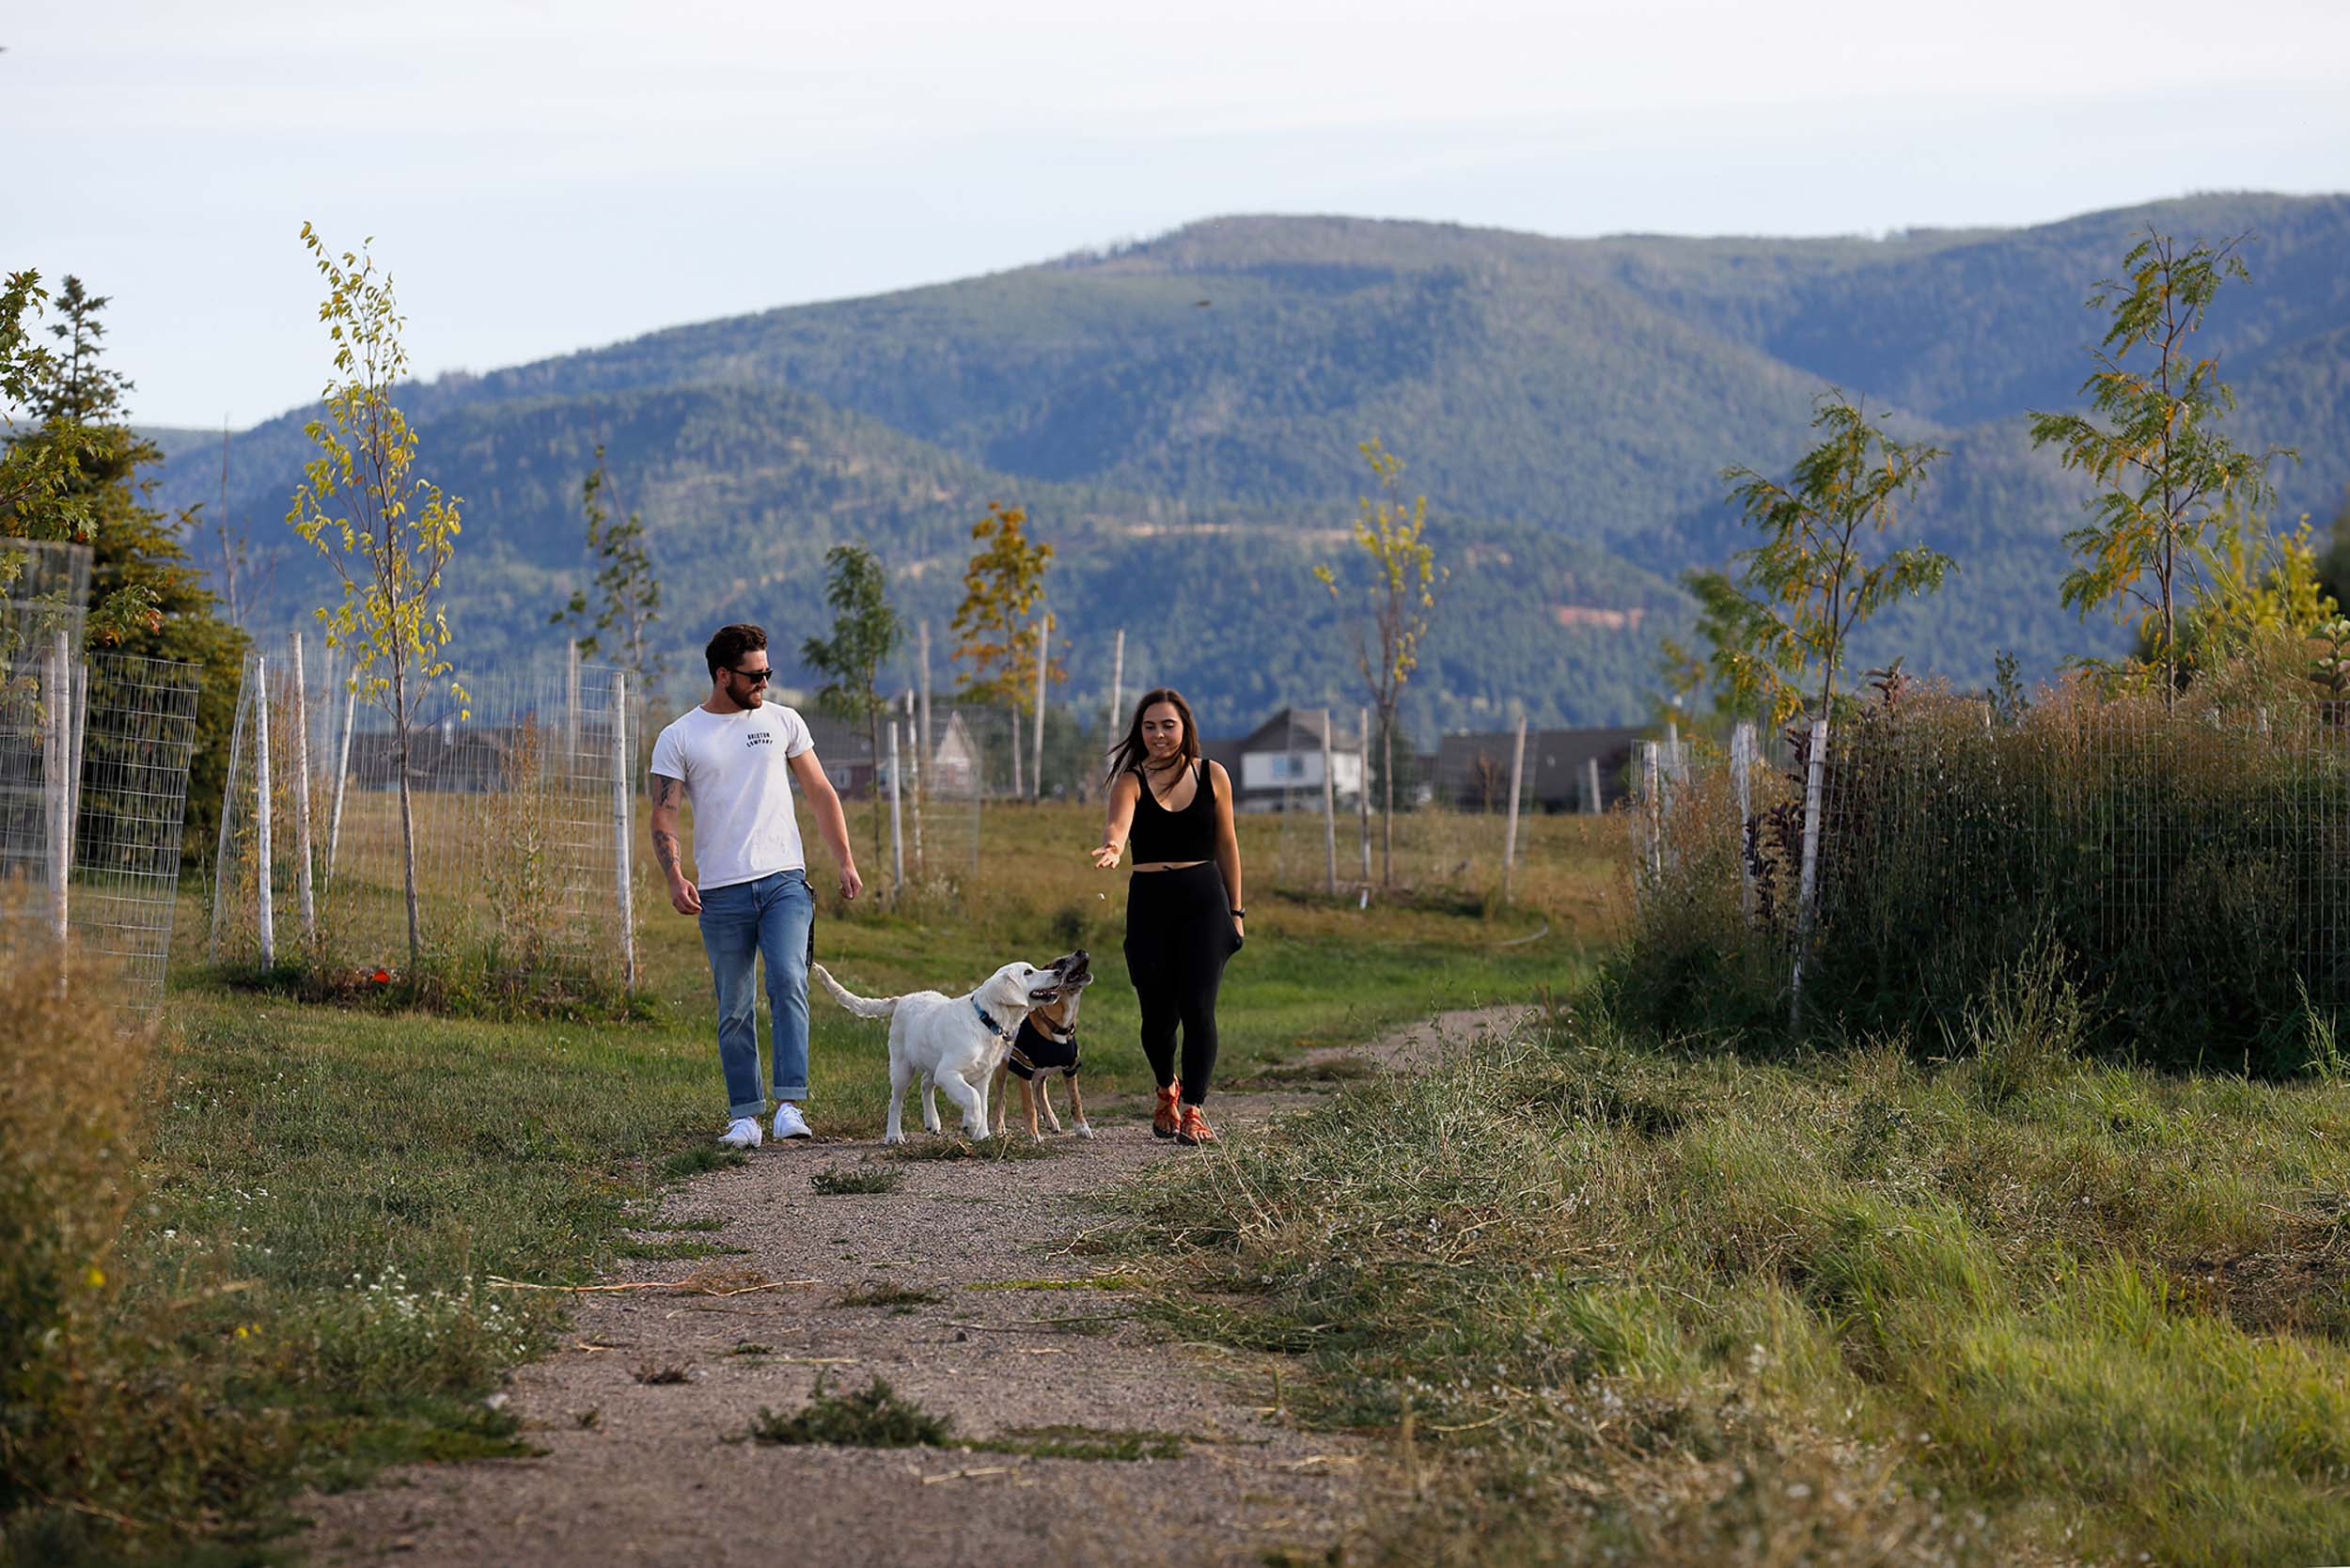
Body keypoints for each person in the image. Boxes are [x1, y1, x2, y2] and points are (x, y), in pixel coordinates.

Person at [650, 623, 862, 1149]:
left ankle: (790, 1105)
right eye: (755, 674)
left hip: (785, 880)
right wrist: (674, 875)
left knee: (789, 980)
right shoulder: (680, 736)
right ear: (724, 675)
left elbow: (820, 791)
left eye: (768, 672)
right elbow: (664, 815)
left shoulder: (784, 721)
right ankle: (745, 1114)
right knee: (734, 1004)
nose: (765, 682)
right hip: (721, 892)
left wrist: (845, 861)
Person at [1089, 688, 1245, 1146]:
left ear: (1185, 728)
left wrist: (1236, 912)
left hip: (1204, 902)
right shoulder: (1130, 780)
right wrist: (1115, 847)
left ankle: (1194, 1109)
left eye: (1168, 725)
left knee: (1199, 1009)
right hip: (1151, 903)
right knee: (1157, 1017)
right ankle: (1165, 1087)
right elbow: (1117, 824)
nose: (1159, 734)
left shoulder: (1214, 775)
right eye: (1150, 726)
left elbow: (1228, 845)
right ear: (1140, 732)